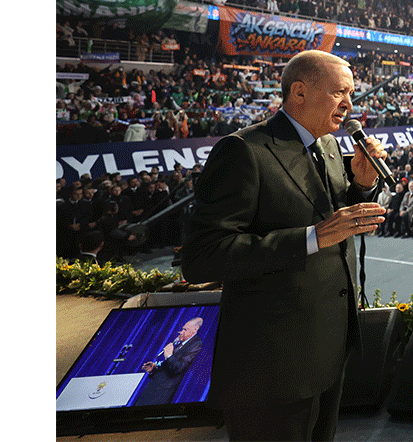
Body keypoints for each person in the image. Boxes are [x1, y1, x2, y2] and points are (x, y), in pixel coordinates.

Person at [181, 49, 388, 441]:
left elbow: (334, 218)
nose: (349, 104)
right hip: (272, 361)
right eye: (339, 93)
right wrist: (312, 237)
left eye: (351, 94)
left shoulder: (326, 146)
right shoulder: (245, 150)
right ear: (299, 92)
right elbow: (203, 256)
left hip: (325, 345)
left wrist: (361, 184)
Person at [137, 317, 205, 406]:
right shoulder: (180, 344)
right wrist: (154, 369)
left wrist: (169, 355)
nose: (181, 332)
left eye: (185, 329)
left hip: (161, 395)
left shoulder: (196, 344)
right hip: (152, 390)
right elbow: (169, 366)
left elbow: (178, 368)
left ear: (195, 329)